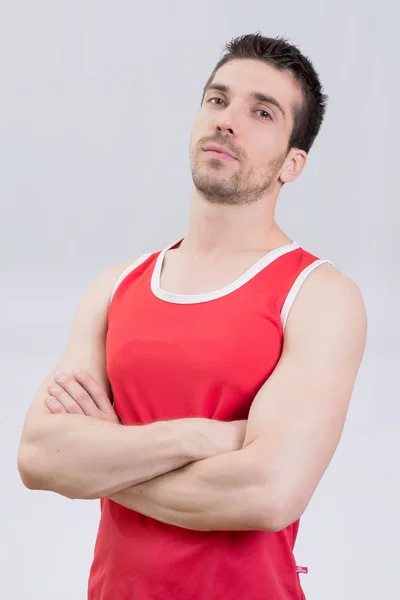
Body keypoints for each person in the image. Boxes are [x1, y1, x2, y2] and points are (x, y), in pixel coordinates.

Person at [17, 33, 367, 600]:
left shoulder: (319, 296)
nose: (229, 120)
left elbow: (266, 494)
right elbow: (38, 457)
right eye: (217, 99)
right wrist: (201, 436)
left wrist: (103, 458)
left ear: (293, 164)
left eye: (262, 112)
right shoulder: (115, 288)